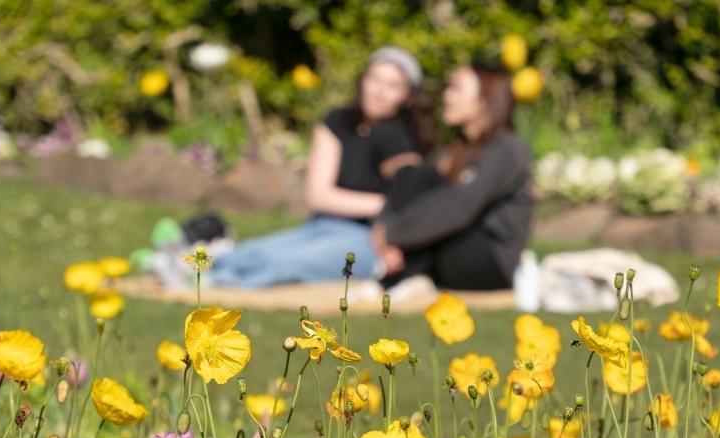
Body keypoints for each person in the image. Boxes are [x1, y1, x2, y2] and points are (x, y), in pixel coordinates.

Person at [205, 46, 432, 288]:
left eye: (392, 85)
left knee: (282, 264)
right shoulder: (338, 122)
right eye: (374, 79)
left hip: (366, 239)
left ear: (408, 96)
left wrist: (387, 218)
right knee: (252, 251)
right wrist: (381, 204)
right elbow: (319, 196)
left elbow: (409, 195)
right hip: (322, 226)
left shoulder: (398, 138)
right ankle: (194, 270)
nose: (379, 91)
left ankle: (213, 285)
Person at [371, 63, 534, 291]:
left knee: (444, 223)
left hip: (488, 261)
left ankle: (405, 273)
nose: (447, 96)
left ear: (486, 98)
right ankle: (400, 268)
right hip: (451, 250)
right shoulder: (453, 152)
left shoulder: (507, 149)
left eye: (456, 89)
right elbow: (418, 194)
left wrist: (393, 234)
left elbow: (459, 207)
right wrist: (385, 230)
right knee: (412, 176)